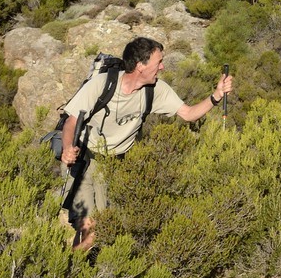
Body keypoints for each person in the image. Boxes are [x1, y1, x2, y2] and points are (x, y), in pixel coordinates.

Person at [59, 35, 233, 251]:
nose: (162, 67)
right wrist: (67, 147)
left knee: (105, 228)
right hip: (84, 158)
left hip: (115, 165)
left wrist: (216, 96)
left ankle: (90, 270)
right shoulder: (103, 84)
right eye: (158, 62)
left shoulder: (156, 90)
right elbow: (71, 121)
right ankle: (68, 277)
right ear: (140, 65)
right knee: (89, 228)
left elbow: (188, 114)